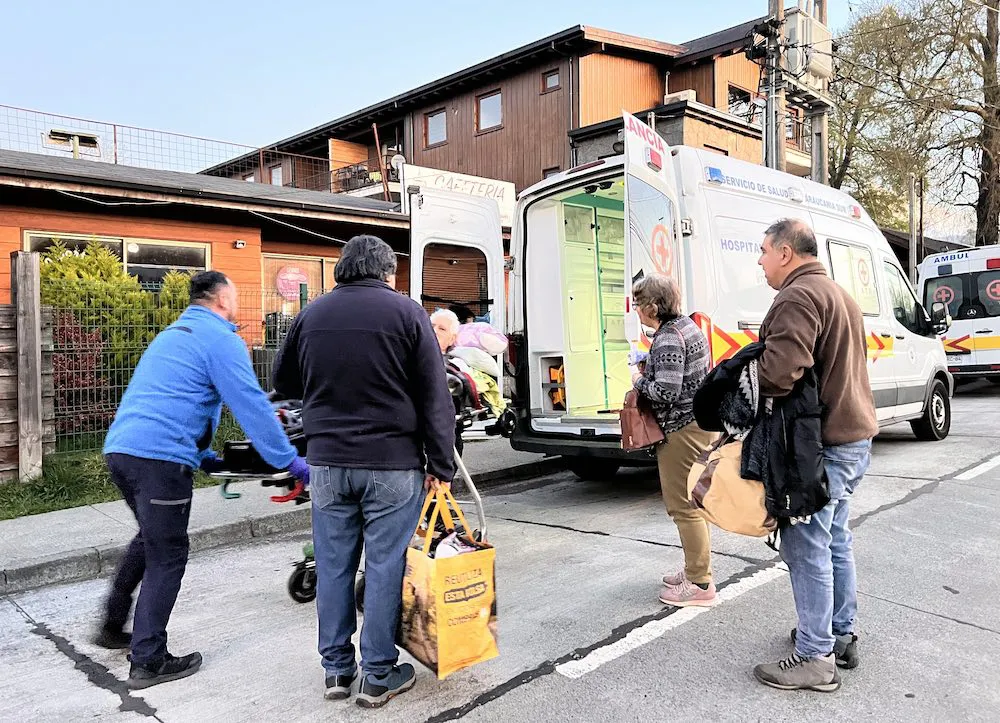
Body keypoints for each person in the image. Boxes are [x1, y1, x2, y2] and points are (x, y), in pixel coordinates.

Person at [99, 271, 309, 690]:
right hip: (159, 462)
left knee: (149, 540)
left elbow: (168, 399)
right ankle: (148, 660)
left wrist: (202, 456)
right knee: (168, 554)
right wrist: (289, 461)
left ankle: (111, 626)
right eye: (234, 296)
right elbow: (249, 403)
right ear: (222, 299)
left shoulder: (173, 335)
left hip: (122, 451)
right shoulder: (220, 338)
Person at [272, 235, 455, 709]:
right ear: (386, 271)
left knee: (333, 567)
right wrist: (442, 464)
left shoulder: (310, 316)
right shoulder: (407, 313)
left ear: (343, 268)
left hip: (328, 463)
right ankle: (378, 674)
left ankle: (336, 670)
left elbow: (283, 382)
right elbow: (436, 396)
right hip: (392, 466)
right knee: (384, 567)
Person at [752, 219, 878, 692]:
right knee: (834, 538)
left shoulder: (797, 296)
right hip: (853, 437)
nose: (761, 261)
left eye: (763, 251)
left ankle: (814, 658)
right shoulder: (839, 294)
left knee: (805, 547)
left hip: (819, 447)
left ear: (786, 252)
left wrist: (744, 377)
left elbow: (780, 373)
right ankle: (838, 636)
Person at [630, 274, 717, 607]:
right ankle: (695, 569)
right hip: (697, 423)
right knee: (691, 504)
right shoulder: (687, 326)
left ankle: (699, 584)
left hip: (682, 429)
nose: (636, 310)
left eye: (639, 303)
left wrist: (638, 379)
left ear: (653, 306)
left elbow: (666, 392)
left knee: (683, 507)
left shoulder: (667, 338)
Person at [430, 308, 466, 456]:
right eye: (431, 326)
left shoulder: (455, 366)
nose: (434, 331)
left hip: (445, 439)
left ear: (452, 339)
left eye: (442, 329)